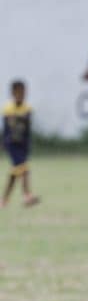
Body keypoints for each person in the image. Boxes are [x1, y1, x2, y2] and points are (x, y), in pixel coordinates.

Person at [2, 80, 40, 208]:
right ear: (13, 93)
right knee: (24, 168)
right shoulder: (8, 109)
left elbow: (27, 128)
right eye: (18, 92)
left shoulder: (27, 109)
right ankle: (27, 195)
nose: (21, 95)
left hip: (23, 145)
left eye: (23, 92)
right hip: (12, 144)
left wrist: (28, 144)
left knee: (15, 172)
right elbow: (8, 129)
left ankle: (4, 200)